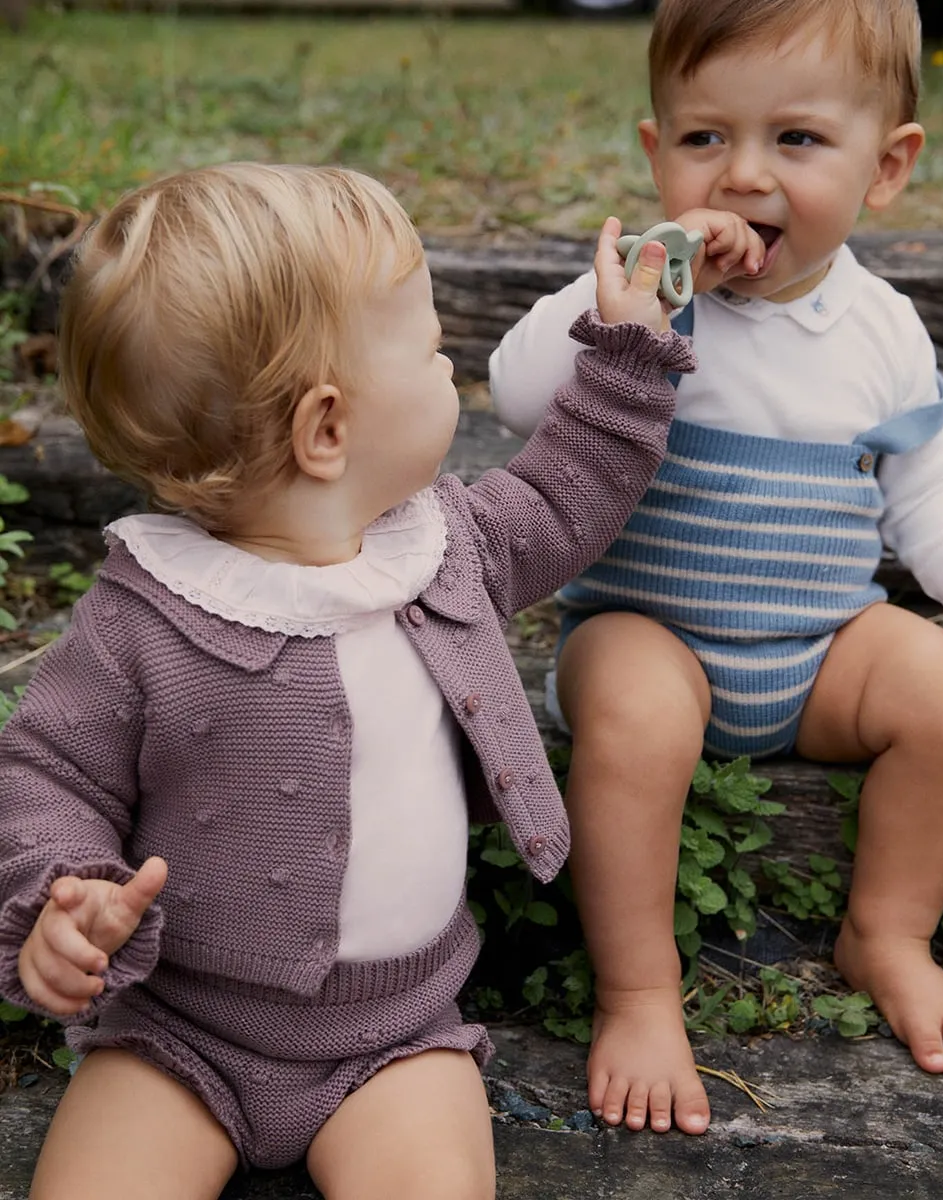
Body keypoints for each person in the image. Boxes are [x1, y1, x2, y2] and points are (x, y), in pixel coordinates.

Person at [0, 163, 693, 1199]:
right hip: (176, 1032)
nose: (449, 364)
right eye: (429, 349)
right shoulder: (148, 616)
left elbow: (563, 498)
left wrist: (628, 355)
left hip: (396, 1038)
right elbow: (48, 768)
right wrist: (58, 896)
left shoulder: (446, 547)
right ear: (327, 429)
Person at [490, 0, 943, 1140]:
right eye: (705, 138)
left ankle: (887, 931)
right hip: (645, 632)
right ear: (657, 153)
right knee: (640, 712)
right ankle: (639, 991)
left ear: (885, 166)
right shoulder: (652, 298)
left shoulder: (881, 330)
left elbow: (926, 492)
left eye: (795, 139)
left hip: (820, 650)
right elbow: (511, 393)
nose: (743, 175)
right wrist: (640, 292)